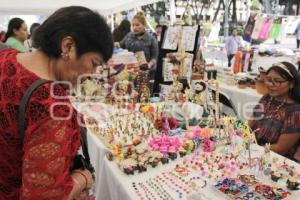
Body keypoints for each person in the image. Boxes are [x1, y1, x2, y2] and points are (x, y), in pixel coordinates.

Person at [0, 6, 113, 200]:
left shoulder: (6, 58)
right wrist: (83, 178)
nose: (92, 75)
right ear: (68, 46)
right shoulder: (52, 107)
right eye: (94, 63)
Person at [249, 62, 300, 161]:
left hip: (275, 160)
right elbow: (250, 124)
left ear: (291, 84)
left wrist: (254, 150)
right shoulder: (266, 98)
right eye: (268, 80)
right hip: (252, 151)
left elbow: (281, 148)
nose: (270, 85)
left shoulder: (295, 111)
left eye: (277, 81)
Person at [119, 12, 158, 80]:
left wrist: (149, 65)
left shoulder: (152, 39)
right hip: (129, 73)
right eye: (133, 25)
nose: (134, 27)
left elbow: (154, 58)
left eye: (137, 25)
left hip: (145, 74)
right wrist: (116, 44)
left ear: (144, 25)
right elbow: (120, 45)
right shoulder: (129, 35)